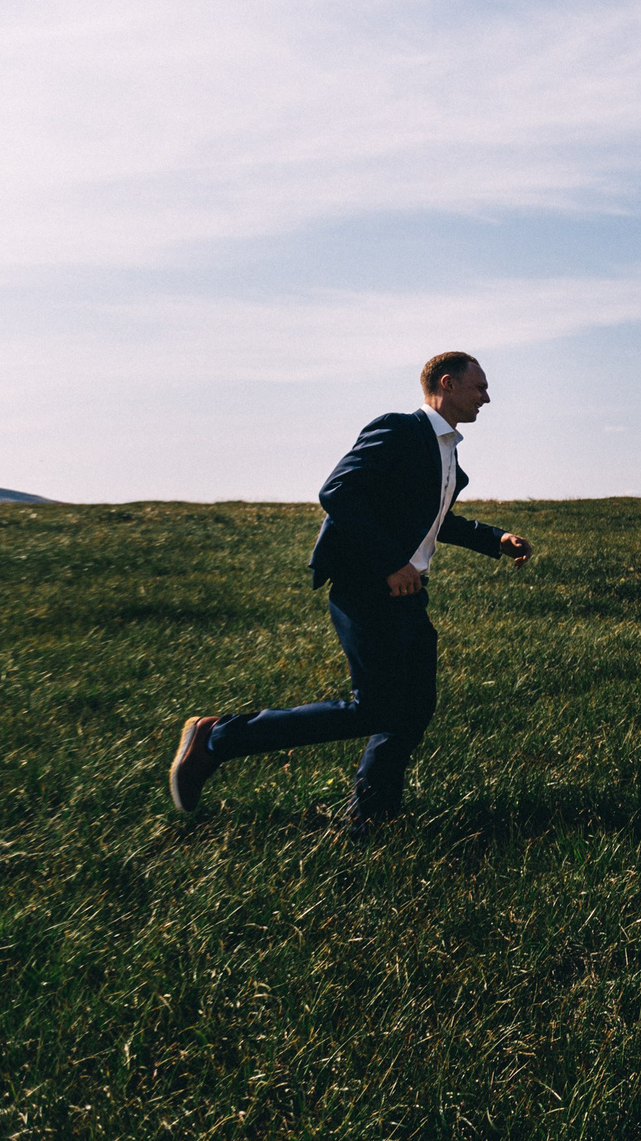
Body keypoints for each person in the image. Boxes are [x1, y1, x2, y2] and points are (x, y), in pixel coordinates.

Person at [167, 352, 534, 831]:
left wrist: (494, 538)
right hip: (367, 586)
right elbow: (338, 491)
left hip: (407, 592)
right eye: (479, 387)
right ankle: (217, 739)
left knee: (414, 708)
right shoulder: (400, 430)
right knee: (375, 708)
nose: (487, 397)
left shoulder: (447, 449)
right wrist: (389, 563)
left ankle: (368, 820)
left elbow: (431, 519)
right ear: (447, 383)